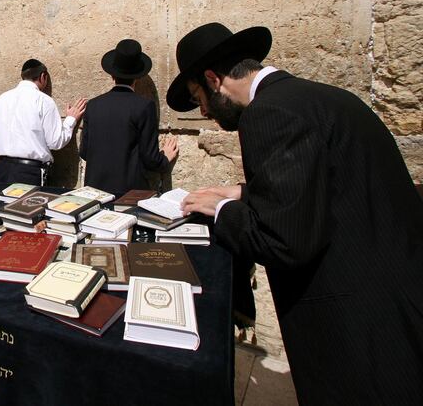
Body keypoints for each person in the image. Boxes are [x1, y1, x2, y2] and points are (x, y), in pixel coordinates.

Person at [168, 22, 423, 404]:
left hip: (357, 326)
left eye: (198, 97)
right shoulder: (318, 97)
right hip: (395, 301)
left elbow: (282, 240)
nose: (203, 111)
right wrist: (246, 191)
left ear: (213, 79)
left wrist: (222, 210)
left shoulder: (268, 114)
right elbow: (328, 184)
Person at [79, 39, 178, 196]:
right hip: (128, 195)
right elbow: (150, 158)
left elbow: (84, 152)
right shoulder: (144, 106)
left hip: (94, 192)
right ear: (137, 77)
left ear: (112, 74)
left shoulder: (93, 105)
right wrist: (164, 159)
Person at [0, 59, 87, 185]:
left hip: (1, 170)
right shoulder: (44, 101)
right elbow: (55, 142)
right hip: (28, 173)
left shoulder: (0, 100)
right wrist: (71, 120)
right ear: (43, 76)